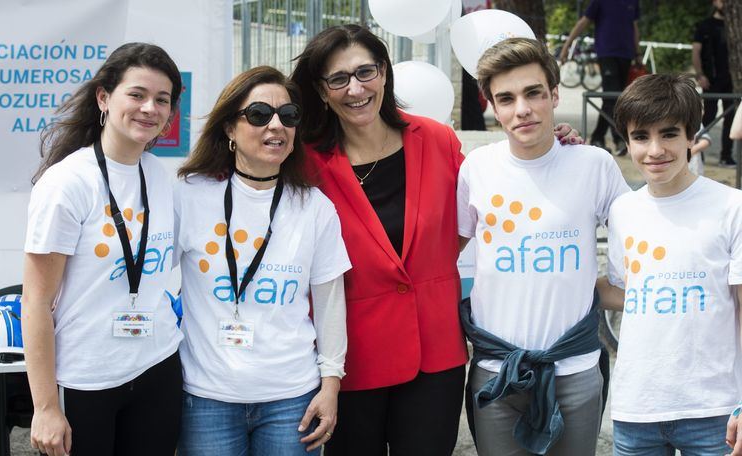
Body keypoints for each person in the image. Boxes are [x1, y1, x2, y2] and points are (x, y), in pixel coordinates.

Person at [290, 25, 582, 456]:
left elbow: (492, 197)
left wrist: (550, 147)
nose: (355, 88)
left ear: (385, 73)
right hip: (351, 359)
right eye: (338, 79)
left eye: (365, 71)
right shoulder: (307, 162)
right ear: (322, 90)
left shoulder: (437, 139)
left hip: (434, 356)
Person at [458, 37, 629, 455]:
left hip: (575, 370)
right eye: (507, 98)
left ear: (554, 94)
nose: (522, 109)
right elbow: (456, 261)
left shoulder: (594, 164)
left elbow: (643, 230)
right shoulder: (476, 168)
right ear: (492, 107)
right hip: (497, 373)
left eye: (534, 93)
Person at [174, 66, 350, 455]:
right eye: (258, 115)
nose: (276, 125)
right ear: (230, 129)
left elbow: (330, 303)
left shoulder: (315, 208)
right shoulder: (188, 197)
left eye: (287, 116)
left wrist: (331, 384)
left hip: (292, 399)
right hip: (207, 398)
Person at [22, 43, 184, 456]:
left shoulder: (159, 176)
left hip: (157, 366)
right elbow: (36, 302)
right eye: (137, 94)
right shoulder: (67, 184)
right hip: (88, 377)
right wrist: (44, 407)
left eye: (161, 100)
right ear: (104, 98)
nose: (150, 108)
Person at [595, 72, 742, 455]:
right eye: (641, 136)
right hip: (636, 408)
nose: (655, 150)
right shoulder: (623, 210)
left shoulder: (732, 207)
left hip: (714, 411)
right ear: (627, 140)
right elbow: (630, 293)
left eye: (669, 134)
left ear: (692, 136)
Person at [560, 0, 640, 155]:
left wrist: (637, 53)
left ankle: (598, 137)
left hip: (626, 54)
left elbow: (634, 26)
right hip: (607, 53)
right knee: (612, 97)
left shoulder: (633, 2)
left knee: (617, 98)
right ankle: (618, 139)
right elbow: (584, 21)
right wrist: (567, 46)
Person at [693, 0, 736, 167]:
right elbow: (696, 51)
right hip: (710, 80)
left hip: (731, 81)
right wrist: (700, 75)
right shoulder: (705, 25)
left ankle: (726, 155)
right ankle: (698, 151)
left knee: (730, 118)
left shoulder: (735, 26)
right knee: (708, 117)